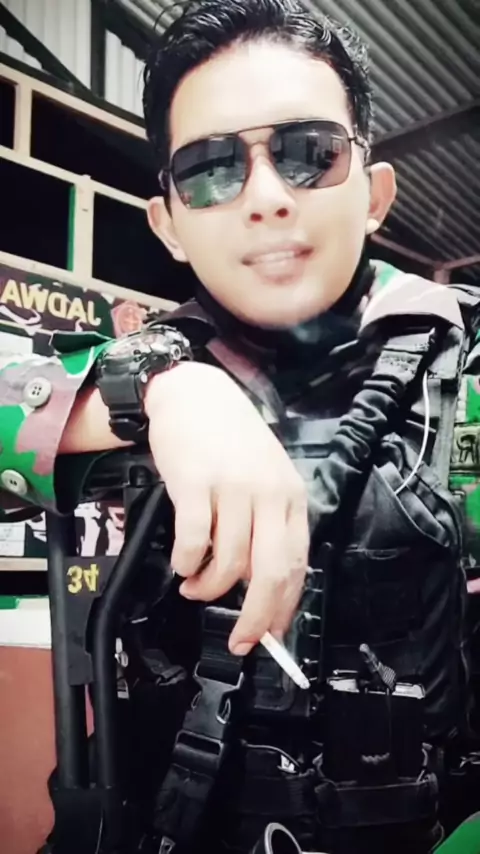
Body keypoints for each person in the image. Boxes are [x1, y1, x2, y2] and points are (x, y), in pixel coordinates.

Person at [2, 1, 480, 851]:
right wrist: (154, 391)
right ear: (169, 224)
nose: (265, 198)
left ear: (374, 195)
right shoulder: (146, 370)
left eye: (310, 153)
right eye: (209, 168)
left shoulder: (461, 359)